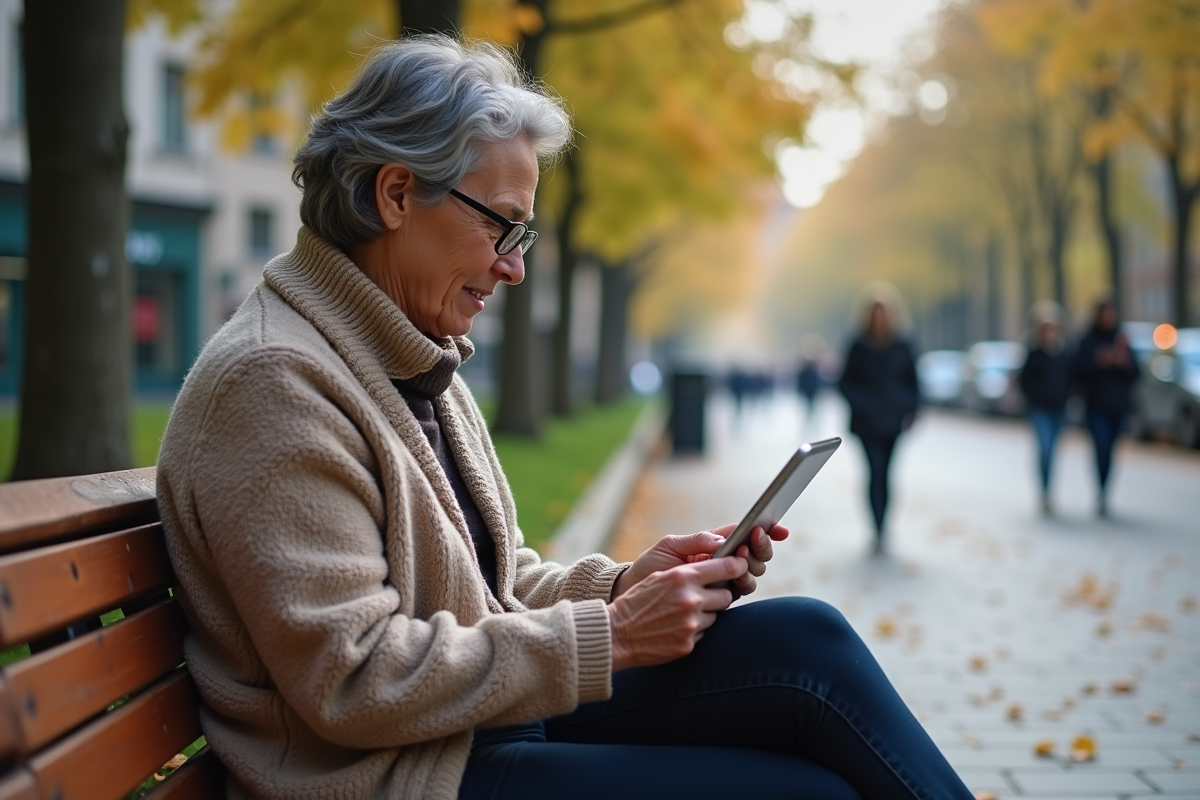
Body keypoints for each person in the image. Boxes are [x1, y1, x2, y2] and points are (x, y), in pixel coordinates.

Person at [156, 36, 972, 800]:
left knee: (807, 643)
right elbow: (353, 677)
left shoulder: (401, 352)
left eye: (526, 232)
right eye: (500, 225)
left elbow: (492, 588)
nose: (513, 265)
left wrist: (624, 586)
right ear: (397, 193)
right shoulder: (274, 381)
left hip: (473, 730)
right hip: (404, 776)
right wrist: (614, 633)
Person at [837, 284, 920, 555]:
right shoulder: (858, 345)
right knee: (873, 472)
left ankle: (884, 524)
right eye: (876, 311)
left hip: (894, 421)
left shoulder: (903, 344)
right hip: (866, 423)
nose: (880, 317)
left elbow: (913, 382)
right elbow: (845, 383)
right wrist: (862, 405)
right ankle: (877, 527)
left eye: (884, 311)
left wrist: (910, 409)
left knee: (887, 474)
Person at [1072, 297, 1140, 517]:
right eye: (1105, 313)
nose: (1109, 317)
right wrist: (1098, 362)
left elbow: (1136, 374)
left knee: (1110, 450)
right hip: (1096, 406)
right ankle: (1100, 491)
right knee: (1100, 448)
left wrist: (1122, 362)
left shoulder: (1122, 340)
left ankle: (1105, 491)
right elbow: (1078, 373)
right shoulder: (1088, 340)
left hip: (1118, 407)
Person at [1017, 301, 1073, 515]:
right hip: (1039, 409)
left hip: (1059, 408)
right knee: (1045, 447)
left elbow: (1072, 377)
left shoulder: (1064, 352)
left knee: (1053, 452)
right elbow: (1024, 381)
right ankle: (1044, 492)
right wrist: (1035, 396)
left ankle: (1049, 491)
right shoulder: (1034, 352)